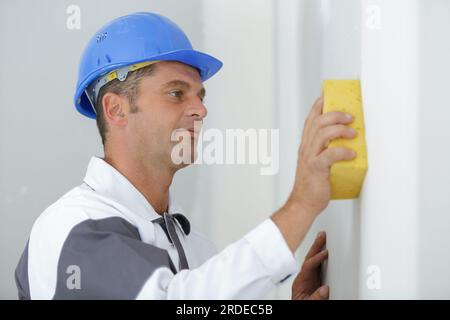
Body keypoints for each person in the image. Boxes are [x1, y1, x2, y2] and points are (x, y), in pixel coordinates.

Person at [15, 12, 356, 300]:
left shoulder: (196, 248)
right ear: (116, 109)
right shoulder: (72, 227)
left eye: (200, 95)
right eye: (177, 93)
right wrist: (301, 204)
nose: (200, 109)